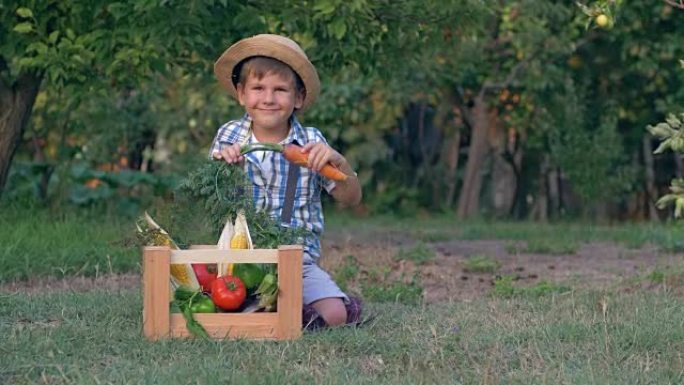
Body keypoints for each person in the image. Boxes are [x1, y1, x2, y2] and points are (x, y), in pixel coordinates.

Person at [209, 34, 363, 329]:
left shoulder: (312, 142)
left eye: (280, 90)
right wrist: (225, 168)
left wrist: (339, 163)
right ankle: (279, 313)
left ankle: (289, 312)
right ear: (241, 93)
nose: (268, 98)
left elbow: (351, 197)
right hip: (238, 261)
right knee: (227, 305)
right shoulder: (229, 136)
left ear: (299, 98)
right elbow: (211, 196)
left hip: (297, 263)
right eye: (258, 88)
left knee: (335, 315)